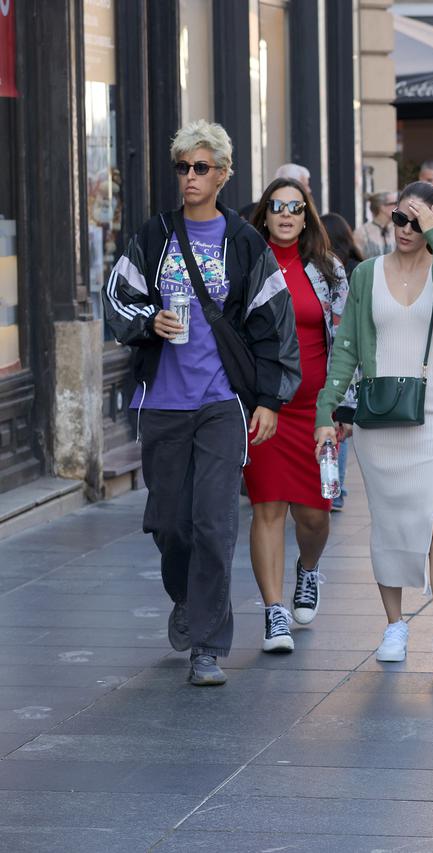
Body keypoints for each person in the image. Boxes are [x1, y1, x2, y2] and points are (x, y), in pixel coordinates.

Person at [103, 120, 300, 686]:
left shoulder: (244, 242)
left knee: (214, 524)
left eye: (200, 168)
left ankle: (208, 647)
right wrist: (149, 320)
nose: (189, 177)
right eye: (182, 167)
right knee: (172, 525)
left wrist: (269, 400)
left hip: (221, 403)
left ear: (223, 175)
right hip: (162, 402)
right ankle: (187, 599)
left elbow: (274, 325)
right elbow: (117, 297)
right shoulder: (154, 235)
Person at [315, 181, 433, 672]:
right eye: (400, 218)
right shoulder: (366, 274)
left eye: (417, 220)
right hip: (380, 417)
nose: (405, 228)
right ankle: (394, 624)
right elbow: (345, 349)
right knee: (387, 524)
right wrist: (327, 412)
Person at [244, 178, 348, 652]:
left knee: (314, 515)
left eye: (295, 207)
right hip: (267, 408)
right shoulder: (246, 265)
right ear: (264, 215)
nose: (285, 214)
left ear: (306, 217)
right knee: (267, 508)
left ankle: (308, 569)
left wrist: (343, 404)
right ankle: (274, 613)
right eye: (276, 207)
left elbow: (347, 343)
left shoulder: (328, 271)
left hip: (317, 411)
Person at [321, 212, 366, 512]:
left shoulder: (335, 271)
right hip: (351, 354)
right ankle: (336, 486)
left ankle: (333, 486)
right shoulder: (358, 267)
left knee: (335, 419)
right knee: (341, 423)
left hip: (338, 353)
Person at [356, 191, 397, 259]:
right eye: (394, 203)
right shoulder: (361, 233)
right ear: (382, 207)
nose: (397, 206)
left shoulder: (399, 230)